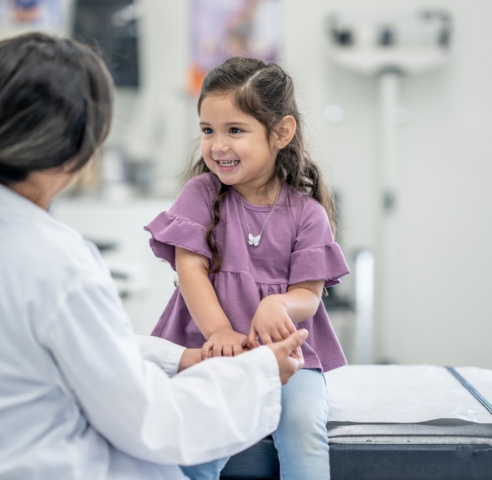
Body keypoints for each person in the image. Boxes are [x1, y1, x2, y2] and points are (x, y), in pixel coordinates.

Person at [0, 34, 309, 480]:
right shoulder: (57, 263)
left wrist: (177, 360)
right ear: (84, 144)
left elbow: (48, 350)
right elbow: (153, 422)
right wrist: (262, 371)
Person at [145, 57, 350, 480]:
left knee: (303, 430)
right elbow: (190, 270)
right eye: (207, 130)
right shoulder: (200, 193)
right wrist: (219, 332)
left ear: (281, 133)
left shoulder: (307, 214)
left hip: (290, 357)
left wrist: (281, 304)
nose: (218, 146)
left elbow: (308, 294)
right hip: (210, 348)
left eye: (234, 131)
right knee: (196, 439)